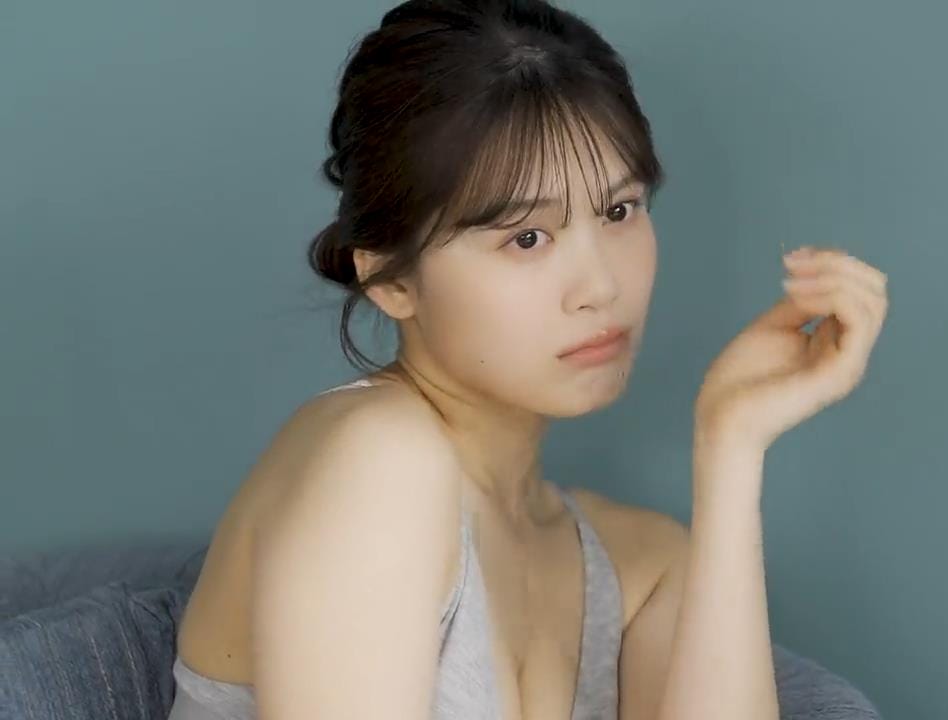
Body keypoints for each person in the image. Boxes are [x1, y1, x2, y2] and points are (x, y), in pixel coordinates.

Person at [166, 1, 889, 719]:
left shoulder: (640, 565)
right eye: (527, 239)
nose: (600, 287)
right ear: (389, 277)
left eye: (618, 211)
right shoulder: (377, 459)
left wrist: (731, 445)